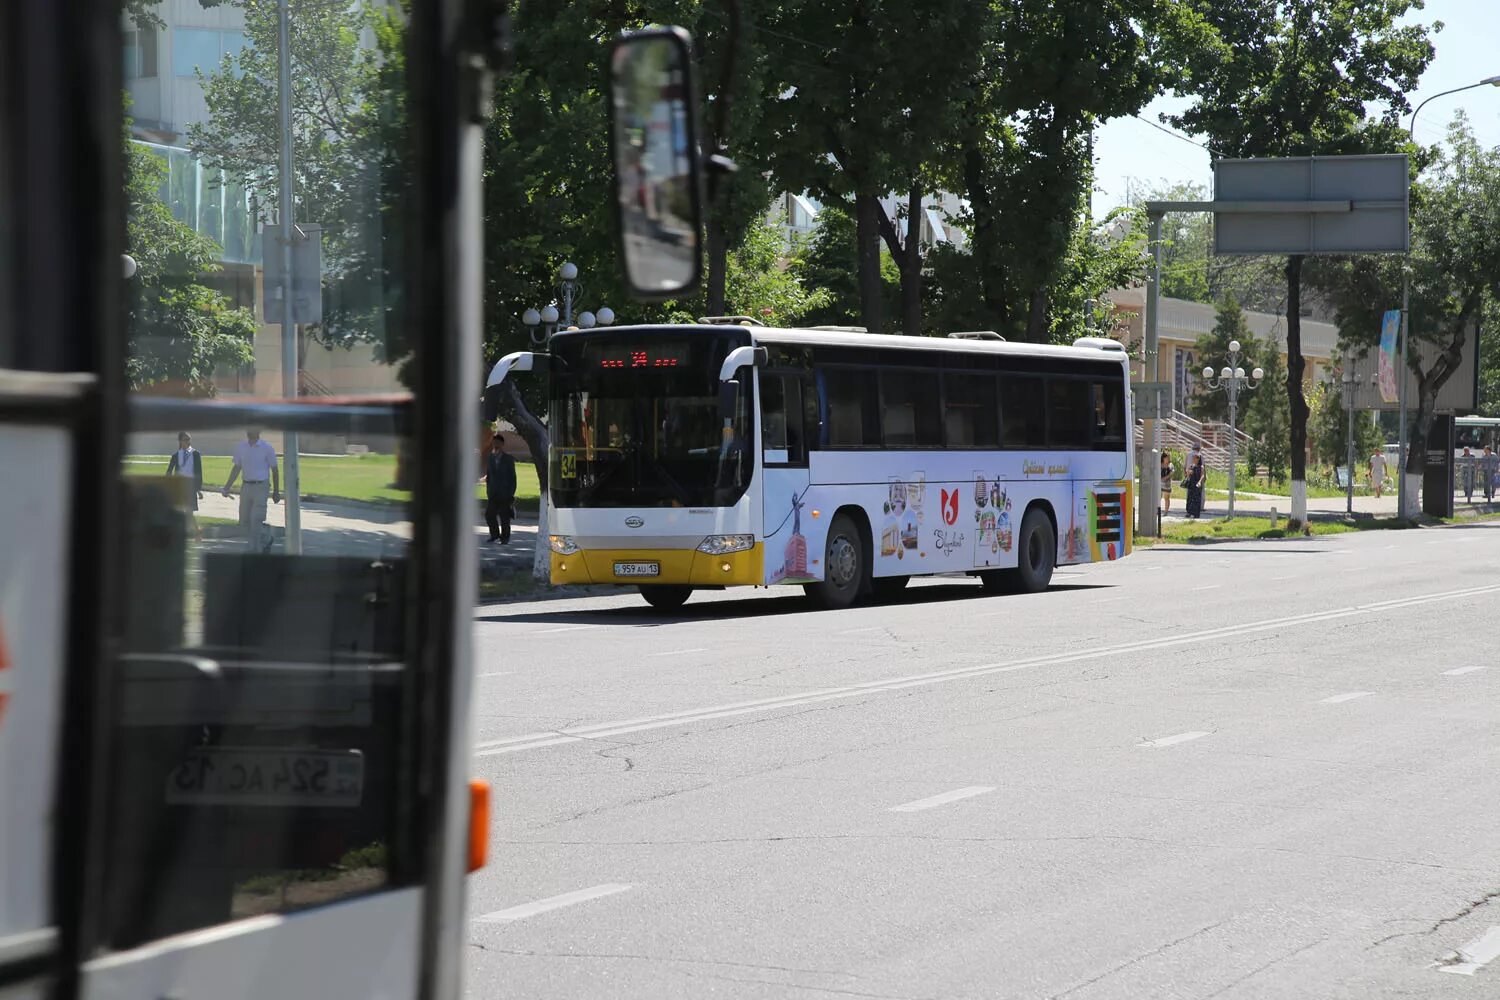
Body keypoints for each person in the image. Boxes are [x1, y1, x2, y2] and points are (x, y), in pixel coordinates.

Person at [222, 428, 280, 553]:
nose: (249, 431)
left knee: (256, 518)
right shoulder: (241, 447)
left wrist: (276, 491)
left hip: (261, 486)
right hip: (246, 486)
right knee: (245, 520)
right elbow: (237, 467)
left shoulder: (267, 448)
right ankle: (267, 537)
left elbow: (275, 470)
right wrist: (227, 487)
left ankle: (254, 549)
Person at [165, 431, 205, 540]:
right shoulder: (176, 455)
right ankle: (191, 532)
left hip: (190, 485)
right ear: (180, 441)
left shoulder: (195, 454)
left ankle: (196, 531)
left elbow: (199, 472)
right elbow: (169, 471)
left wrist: (198, 488)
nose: (188, 441)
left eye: (189, 439)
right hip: (179, 485)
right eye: (185, 439)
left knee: (189, 511)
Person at [484, 432, 517, 544]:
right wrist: (488, 490)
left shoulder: (508, 459)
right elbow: (489, 475)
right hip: (493, 493)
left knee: (504, 518)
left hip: (505, 493)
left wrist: (511, 493)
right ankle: (494, 535)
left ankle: (505, 538)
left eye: (498, 443)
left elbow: (513, 477)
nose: (495, 445)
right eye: (494, 443)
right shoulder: (490, 458)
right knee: (489, 515)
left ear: (502, 444)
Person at [1183, 447, 1206, 519]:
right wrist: (1188, 472)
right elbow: (1187, 474)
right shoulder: (1191, 466)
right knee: (1190, 498)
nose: (1194, 459)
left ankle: (1196, 513)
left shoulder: (1201, 467)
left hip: (1197, 484)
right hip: (1191, 483)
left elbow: (1202, 475)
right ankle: (1189, 512)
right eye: (1194, 457)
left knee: (1197, 499)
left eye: (1196, 458)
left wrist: (1199, 482)